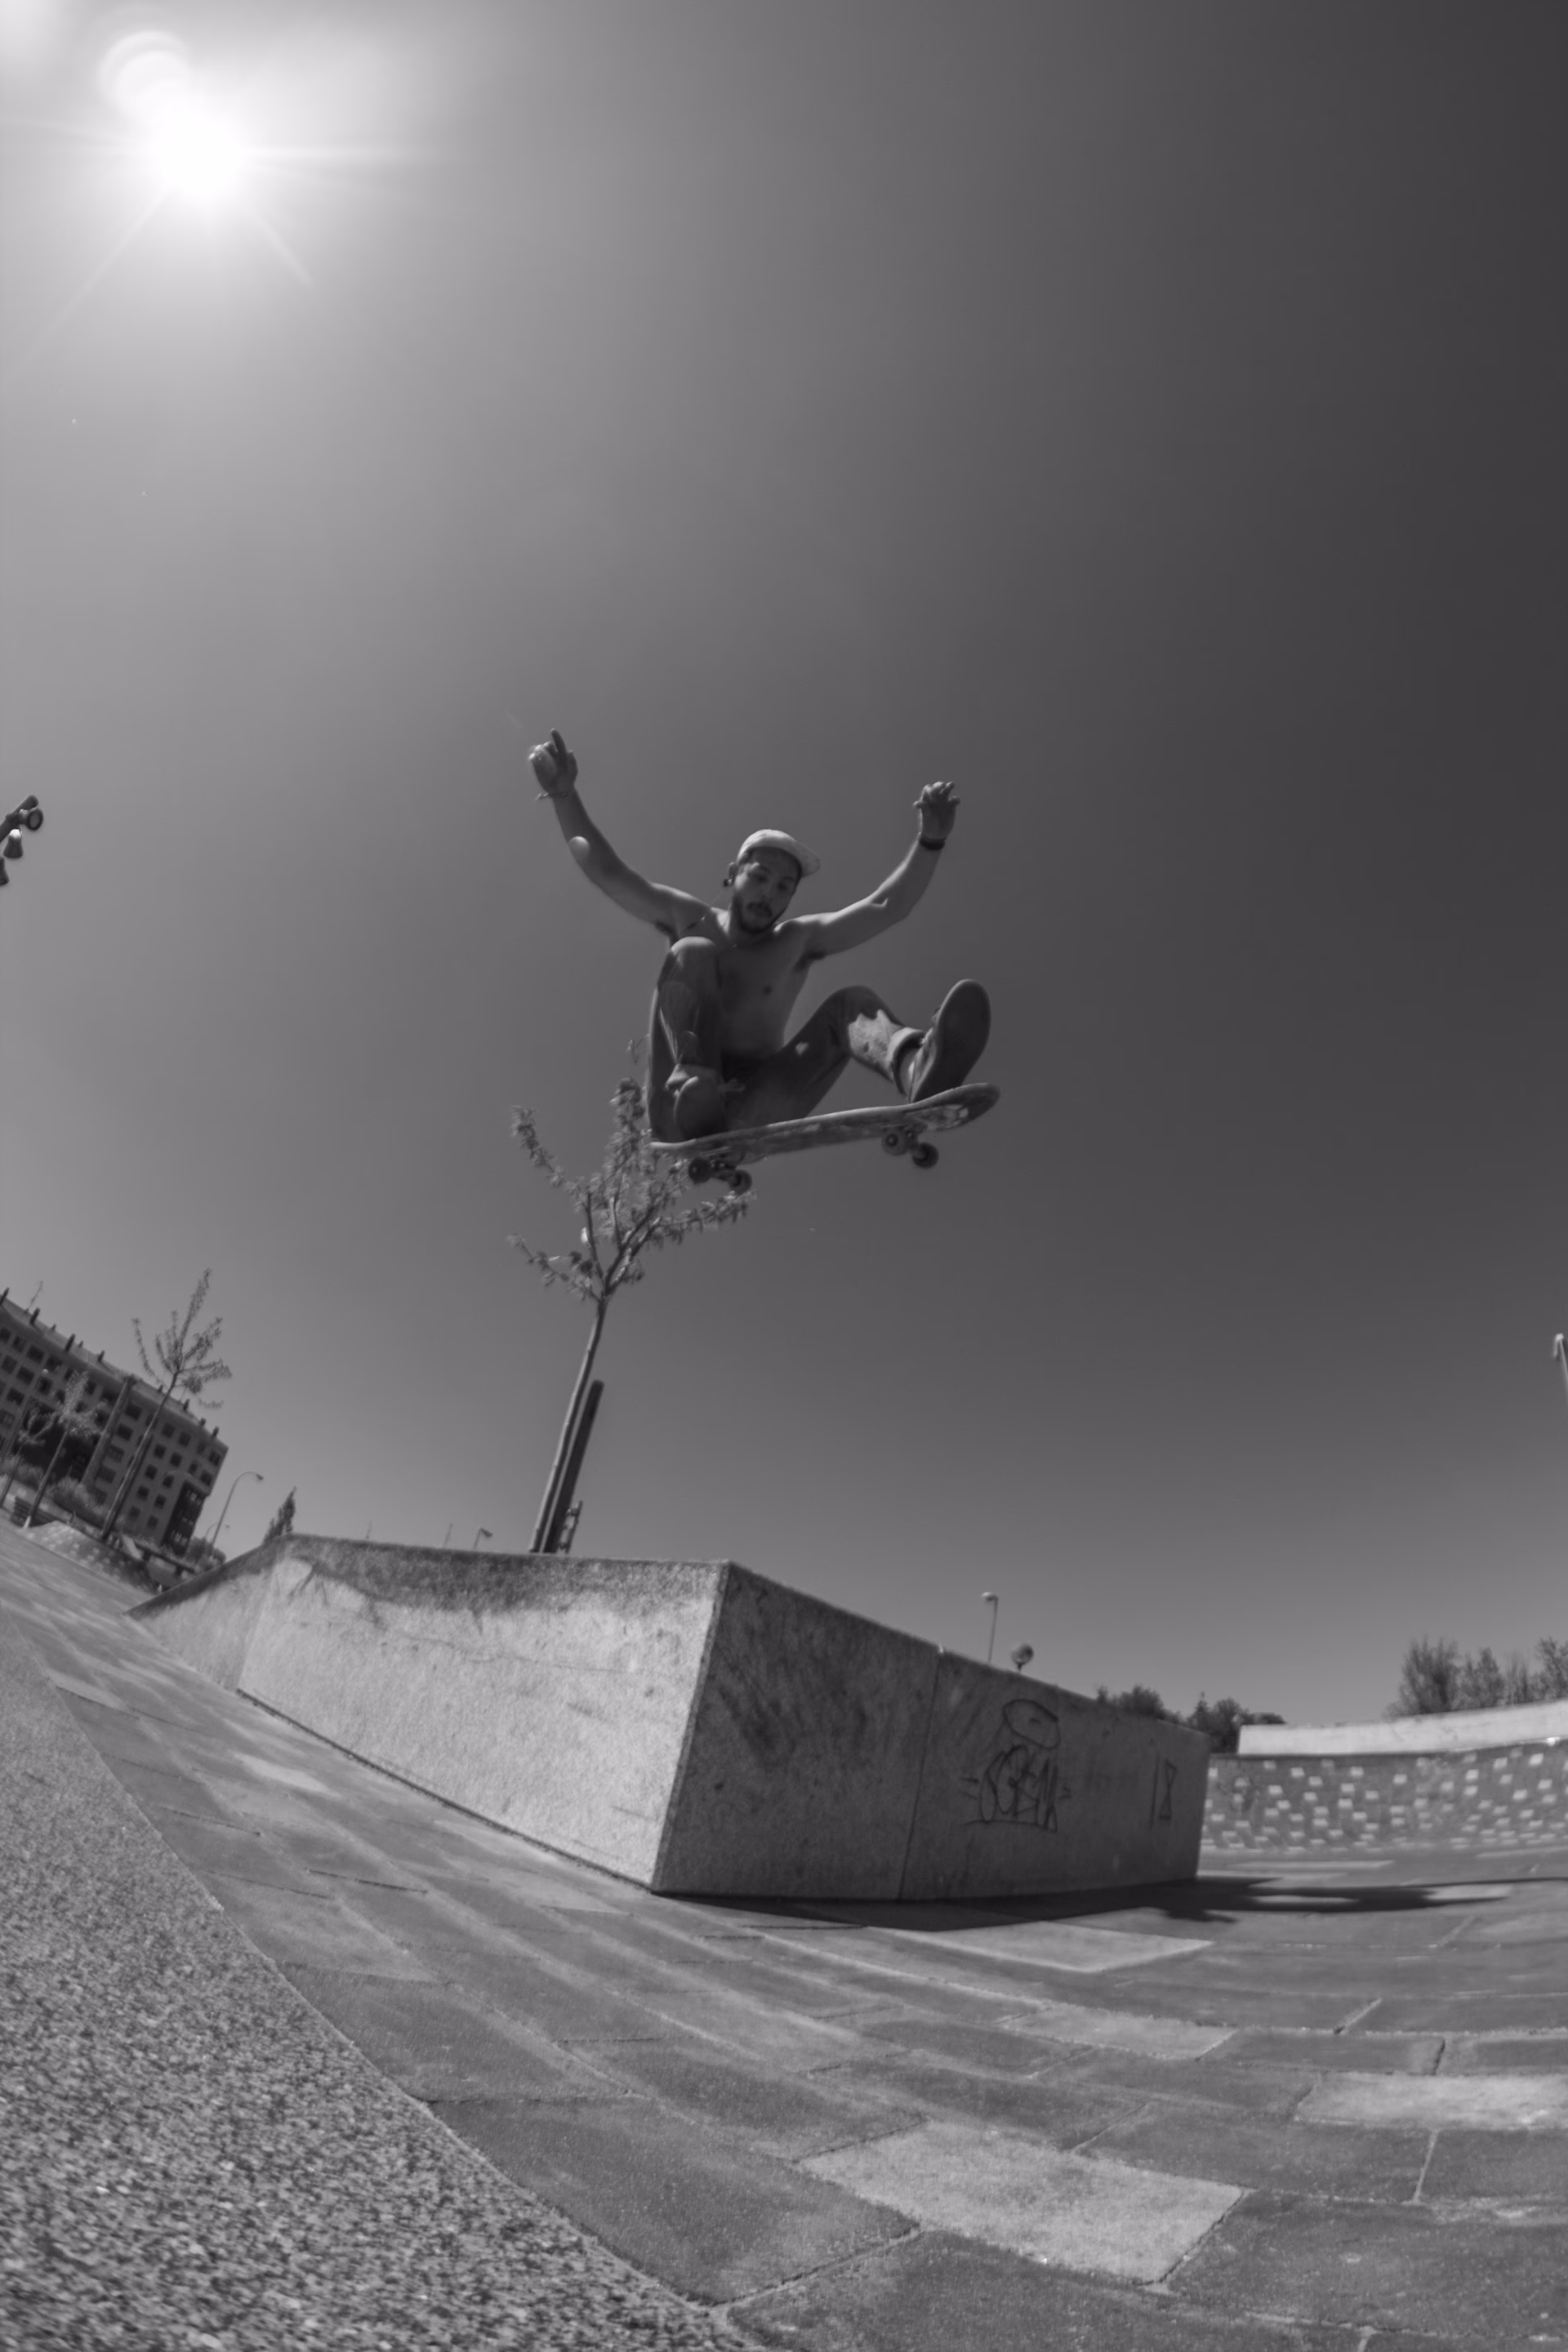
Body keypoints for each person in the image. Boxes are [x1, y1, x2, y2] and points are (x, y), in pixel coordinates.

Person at [528, 728, 991, 1143]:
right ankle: (696, 1084)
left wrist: (930, 841)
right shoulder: (687, 916)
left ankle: (917, 1068)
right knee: (693, 950)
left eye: (783, 887)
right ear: (734, 874)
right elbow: (608, 872)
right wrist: (565, 796)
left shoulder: (795, 942)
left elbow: (886, 907)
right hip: (677, 1112)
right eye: (760, 877)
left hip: (756, 1106)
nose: (769, 894)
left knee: (850, 1002)